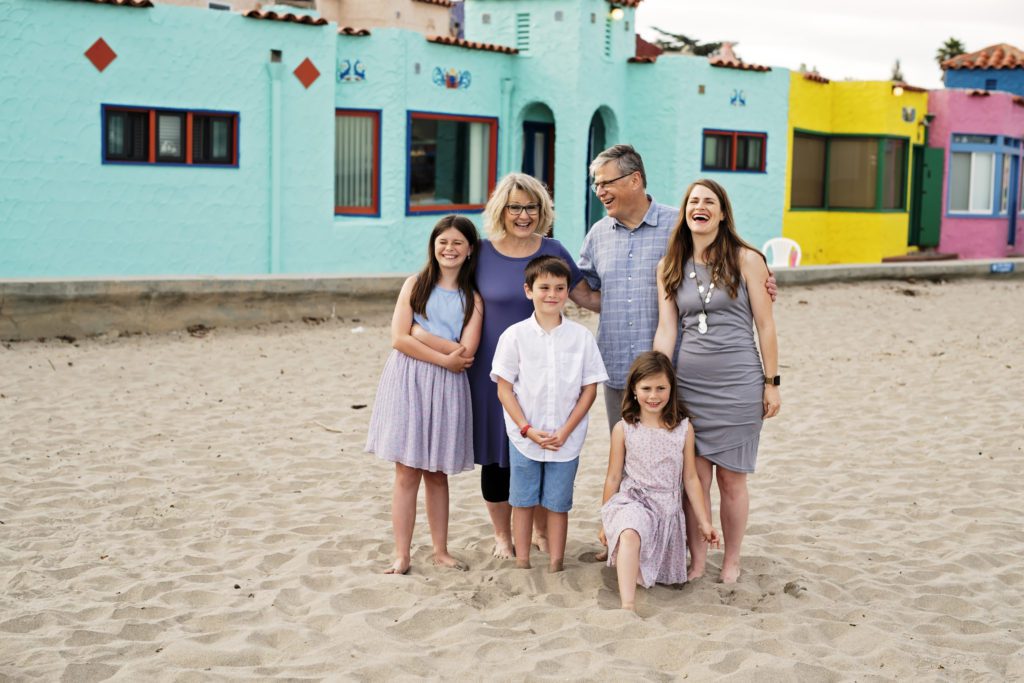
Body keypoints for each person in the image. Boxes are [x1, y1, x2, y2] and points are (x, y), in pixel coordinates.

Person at [435, 173, 597, 559]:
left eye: (531, 207)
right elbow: (443, 290)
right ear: (501, 210)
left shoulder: (554, 249)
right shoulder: (480, 252)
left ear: (542, 210)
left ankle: (539, 531)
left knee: (541, 450)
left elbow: (586, 297)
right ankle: (502, 536)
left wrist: (650, 299)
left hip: (545, 373)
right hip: (490, 372)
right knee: (497, 456)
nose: (524, 215)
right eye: (515, 208)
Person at [579, 144, 776, 432]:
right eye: (596, 185)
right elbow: (585, 289)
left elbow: (727, 262)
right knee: (624, 450)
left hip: (676, 373)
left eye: (605, 183)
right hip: (618, 369)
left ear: (634, 180)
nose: (600, 191)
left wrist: (762, 282)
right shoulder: (597, 234)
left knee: (676, 453)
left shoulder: (680, 226)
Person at [653, 179, 781, 584]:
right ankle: (696, 561)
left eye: (710, 202)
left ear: (722, 214)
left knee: (731, 478)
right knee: (694, 479)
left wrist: (772, 382)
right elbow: (666, 329)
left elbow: (766, 325)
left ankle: (731, 560)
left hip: (740, 384)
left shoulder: (747, 260)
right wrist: (657, 379)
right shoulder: (669, 265)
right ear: (685, 212)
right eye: (694, 201)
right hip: (689, 387)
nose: (701, 207)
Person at [365, 215, 484, 575]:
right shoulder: (415, 285)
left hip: (448, 388)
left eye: (457, 243)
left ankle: (440, 550)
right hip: (408, 379)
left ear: (469, 249)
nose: (449, 249)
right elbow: (398, 339)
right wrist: (441, 355)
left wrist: (422, 333)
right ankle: (402, 554)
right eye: (443, 242)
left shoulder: (472, 299)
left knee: (436, 472)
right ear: (433, 246)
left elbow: (465, 352)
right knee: (406, 471)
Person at [490, 255, 608, 573]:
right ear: (529, 290)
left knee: (558, 503)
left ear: (568, 291)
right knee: (522, 500)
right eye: (544, 287)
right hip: (525, 437)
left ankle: (556, 563)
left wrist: (566, 431)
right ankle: (523, 562)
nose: (552, 294)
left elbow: (589, 390)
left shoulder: (581, 337)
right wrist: (526, 428)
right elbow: (504, 389)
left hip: (566, 439)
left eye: (559, 288)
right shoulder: (514, 336)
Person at [599, 351, 720, 611]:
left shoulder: (683, 429)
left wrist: (704, 521)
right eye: (646, 388)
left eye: (661, 388)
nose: (653, 396)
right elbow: (613, 477)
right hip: (633, 501)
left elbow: (691, 478)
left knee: (646, 572)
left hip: (666, 509)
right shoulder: (623, 428)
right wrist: (605, 521)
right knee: (629, 532)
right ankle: (628, 605)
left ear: (671, 388)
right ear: (634, 389)